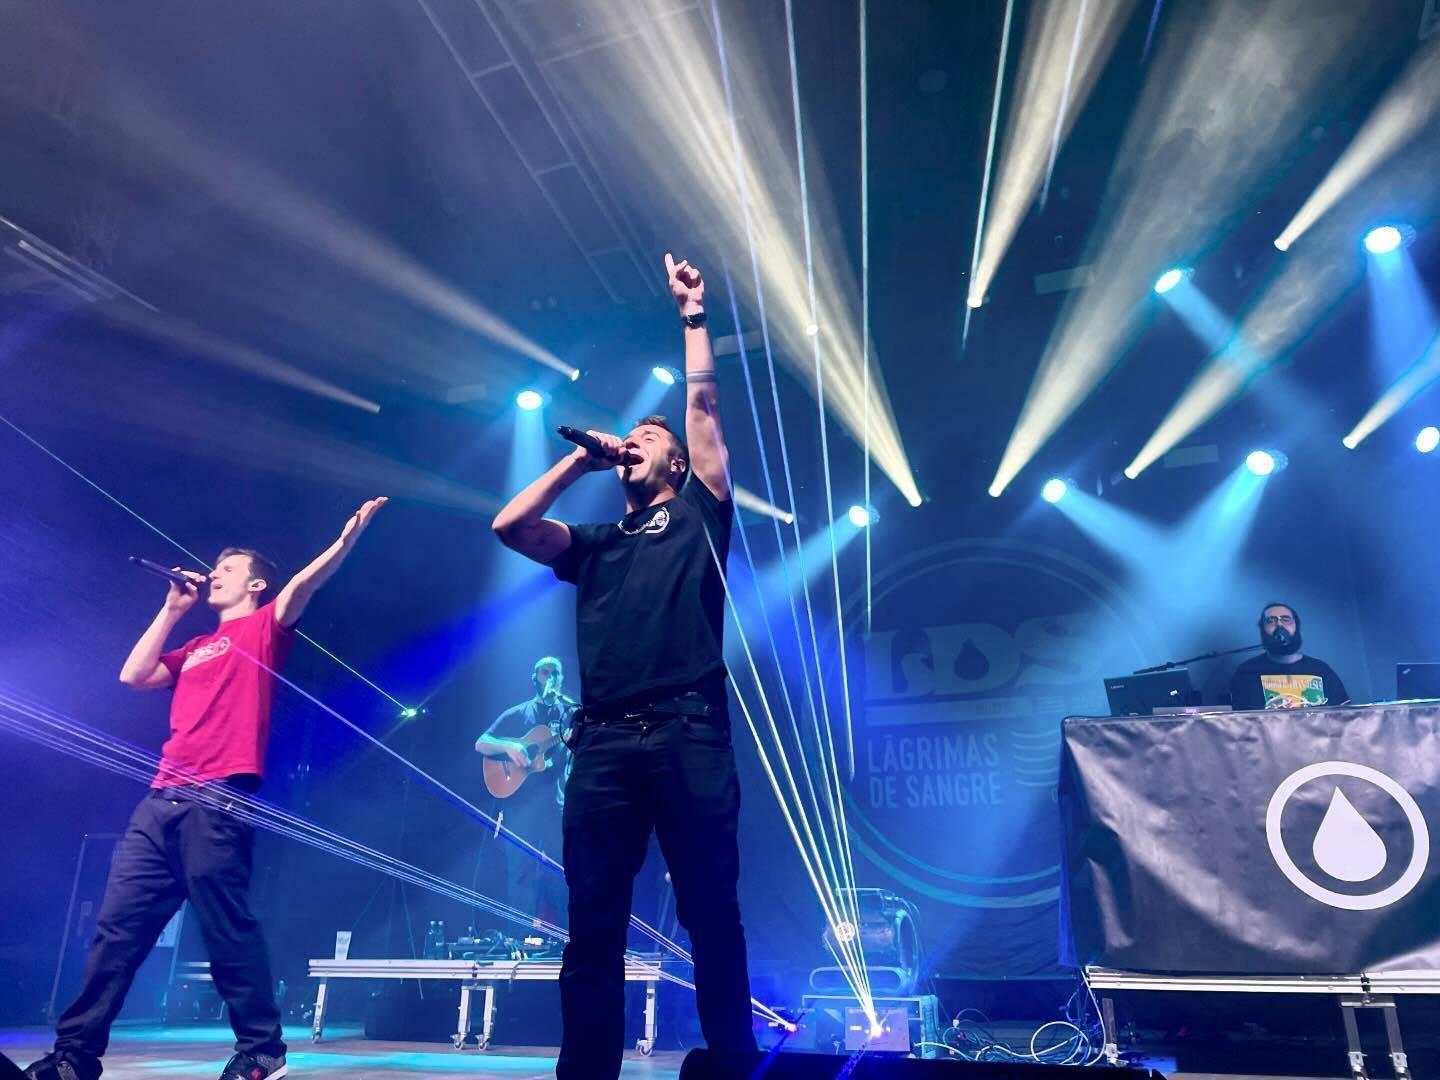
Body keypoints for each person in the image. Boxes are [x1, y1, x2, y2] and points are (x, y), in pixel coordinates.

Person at [492, 253, 755, 1078]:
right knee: (593, 924)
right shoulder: (596, 544)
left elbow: (702, 407)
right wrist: (582, 461)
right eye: (630, 439)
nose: (634, 444)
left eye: (649, 440)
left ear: (676, 464)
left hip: (687, 731)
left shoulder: (702, 511)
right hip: (603, 745)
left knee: (710, 911)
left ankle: (734, 1063)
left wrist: (692, 316)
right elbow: (510, 527)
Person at [25, 499, 387, 1080]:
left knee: (226, 929)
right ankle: (75, 1056)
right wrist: (172, 610)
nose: (214, 574)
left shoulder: (265, 627)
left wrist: (344, 543)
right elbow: (134, 675)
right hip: (159, 801)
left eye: (228, 569)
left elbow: (302, 587)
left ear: (256, 584)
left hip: (218, 798)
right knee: (117, 932)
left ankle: (262, 1051)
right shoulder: (195, 647)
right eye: (215, 568)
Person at [474, 655, 576, 926]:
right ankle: (517, 938)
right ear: (535, 679)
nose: (551, 677)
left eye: (556, 673)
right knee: (519, 872)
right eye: (545, 673)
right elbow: (481, 743)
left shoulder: (569, 715)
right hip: (519, 806)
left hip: (555, 806)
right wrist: (510, 747)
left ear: (562, 679)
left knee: (563, 870)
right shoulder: (518, 713)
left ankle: (568, 937)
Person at [1229, 601, 1351, 710]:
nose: (1279, 625)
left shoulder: (1320, 669)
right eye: (1271, 620)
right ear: (1262, 630)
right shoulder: (1247, 671)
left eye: (1286, 619)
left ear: (1298, 628)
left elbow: (1344, 715)